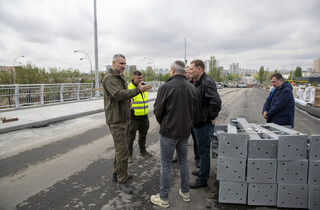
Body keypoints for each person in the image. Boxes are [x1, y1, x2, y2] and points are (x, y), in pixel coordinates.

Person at [101, 54, 152, 194]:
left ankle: (117, 174)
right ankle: (122, 181)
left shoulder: (119, 76)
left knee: (120, 150)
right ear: (113, 63)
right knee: (122, 151)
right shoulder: (109, 78)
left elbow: (122, 95)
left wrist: (127, 102)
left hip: (124, 117)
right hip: (116, 120)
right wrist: (138, 90)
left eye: (125, 63)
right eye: (121, 63)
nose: (123, 66)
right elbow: (118, 94)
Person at [151, 60, 196, 208]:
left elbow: (158, 110)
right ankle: (185, 192)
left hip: (169, 132)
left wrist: (164, 123)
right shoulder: (191, 87)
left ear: (172, 71)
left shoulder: (166, 87)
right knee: (183, 162)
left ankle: (163, 198)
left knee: (165, 165)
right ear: (184, 71)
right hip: (185, 132)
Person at [189, 59, 221, 189]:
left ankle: (202, 179)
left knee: (203, 151)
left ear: (199, 69)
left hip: (203, 124)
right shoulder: (199, 82)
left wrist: (210, 117)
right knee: (202, 151)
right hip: (198, 123)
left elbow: (216, 102)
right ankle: (203, 171)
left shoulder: (206, 82)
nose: (190, 71)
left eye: (191, 69)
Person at [127, 70, 152, 163]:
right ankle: (129, 155)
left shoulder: (145, 86)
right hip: (133, 117)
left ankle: (143, 151)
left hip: (144, 116)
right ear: (134, 78)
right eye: (139, 78)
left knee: (143, 135)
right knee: (130, 137)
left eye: (142, 77)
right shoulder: (129, 87)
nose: (141, 80)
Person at [185, 66, 200, 168]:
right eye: (185, 72)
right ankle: (180, 156)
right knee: (182, 139)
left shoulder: (196, 84)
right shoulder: (181, 84)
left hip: (194, 117)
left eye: (189, 71)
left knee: (196, 139)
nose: (187, 73)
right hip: (184, 117)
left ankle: (197, 159)